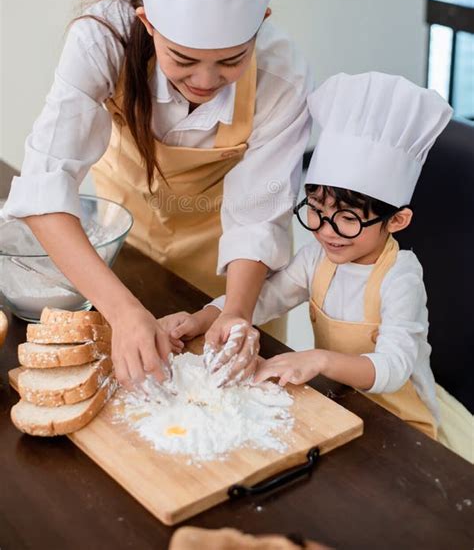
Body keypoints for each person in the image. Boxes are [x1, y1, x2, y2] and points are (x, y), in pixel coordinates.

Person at [1, 0, 311, 387]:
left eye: (232, 59)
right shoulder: (103, 39)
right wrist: (122, 311)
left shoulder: (280, 73)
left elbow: (260, 217)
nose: (206, 80)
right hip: (118, 265)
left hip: (230, 280)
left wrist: (235, 315)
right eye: (183, 59)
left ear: (260, 22)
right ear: (148, 24)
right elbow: (44, 190)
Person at [163, 71, 452, 438]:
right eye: (316, 211)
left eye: (348, 219)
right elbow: (266, 297)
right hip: (344, 403)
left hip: (402, 424)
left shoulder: (400, 278)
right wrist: (202, 319)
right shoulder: (318, 259)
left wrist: (318, 359)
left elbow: (395, 366)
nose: (326, 232)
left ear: (397, 220)